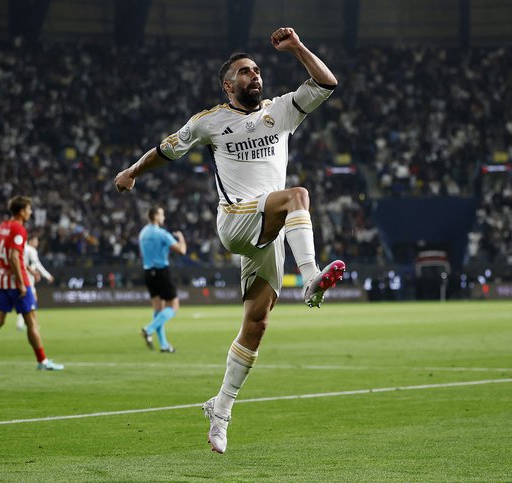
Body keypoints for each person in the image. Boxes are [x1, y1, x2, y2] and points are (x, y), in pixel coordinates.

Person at [114, 27, 345, 454]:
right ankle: (311, 276)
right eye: (245, 72)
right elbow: (166, 150)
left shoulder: (280, 112)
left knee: (256, 325)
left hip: (268, 230)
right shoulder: (210, 121)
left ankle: (219, 411)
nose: (255, 76)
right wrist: (131, 172)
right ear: (228, 84)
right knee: (299, 195)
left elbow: (327, 83)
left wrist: (296, 47)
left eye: (257, 70)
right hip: (237, 220)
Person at [0, 196, 64, 372]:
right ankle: (43, 361)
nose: (31, 212)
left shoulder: (2, 227)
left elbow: (7, 254)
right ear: (22, 211)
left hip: (1, 280)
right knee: (32, 322)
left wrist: (29, 271)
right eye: (29, 209)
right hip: (16, 283)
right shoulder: (19, 229)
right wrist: (22, 282)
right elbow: (14, 257)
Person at [138, 205, 187, 353]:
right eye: (162, 214)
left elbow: (143, 253)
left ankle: (164, 345)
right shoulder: (162, 234)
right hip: (161, 272)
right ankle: (149, 328)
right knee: (173, 307)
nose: (163, 217)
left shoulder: (142, 234)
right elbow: (182, 250)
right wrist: (181, 238)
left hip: (147, 272)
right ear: (156, 217)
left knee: (158, 309)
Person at [16, 235, 55, 331]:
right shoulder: (31, 250)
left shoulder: (22, 248)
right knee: (32, 301)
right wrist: (47, 275)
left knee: (27, 301)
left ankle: (21, 323)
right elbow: (37, 264)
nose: (37, 243)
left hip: (21, 276)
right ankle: (32, 324)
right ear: (30, 241)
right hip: (27, 278)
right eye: (36, 240)